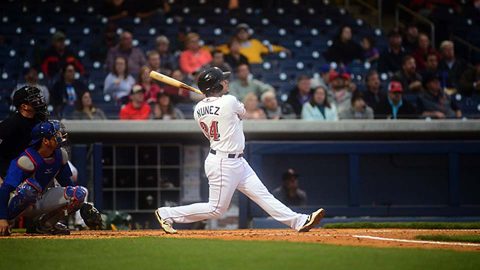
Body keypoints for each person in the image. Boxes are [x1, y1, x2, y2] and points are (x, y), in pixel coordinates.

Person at [155, 67, 325, 234]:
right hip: (223, 163)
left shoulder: (198, 109)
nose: (226, 81)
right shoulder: (229, 101)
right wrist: (218, 99)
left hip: (236, 161)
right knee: (216, 209)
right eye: (222, 79)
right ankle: (166, 213)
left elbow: (217, 108)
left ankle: (298, 221)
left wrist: (212, 98)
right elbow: (243, 112)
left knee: (262, 195)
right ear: (216, 86)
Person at [0, 120, 102, 236]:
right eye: (56, 135)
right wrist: (2, 218)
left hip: (40, 199)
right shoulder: (26, 159)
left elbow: (67, 183)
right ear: (45, 141)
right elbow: (4, 190)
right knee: (30, 189)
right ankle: (7, 222)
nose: (60, 136)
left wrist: (82, 205)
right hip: (18, 200)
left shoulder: (60, 155)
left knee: (78, 194)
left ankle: (44, 226)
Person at [0, 86, 48, 181]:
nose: (38, 100)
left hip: (34, 168)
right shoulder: (11, 124)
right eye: (33, 98)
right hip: (10, 171)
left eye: (38, 97)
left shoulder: (40, 121)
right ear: (24, 106)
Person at [217, 23, 288, 64]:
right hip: (244, 68)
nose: (242, 34)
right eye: (240, 32)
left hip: (258, 65)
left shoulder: (255, 43)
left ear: (248, 33)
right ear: (237, 34)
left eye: (244, 32)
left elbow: (268, 48)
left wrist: (281, 49)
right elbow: (218, 49)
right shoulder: (233, 44)